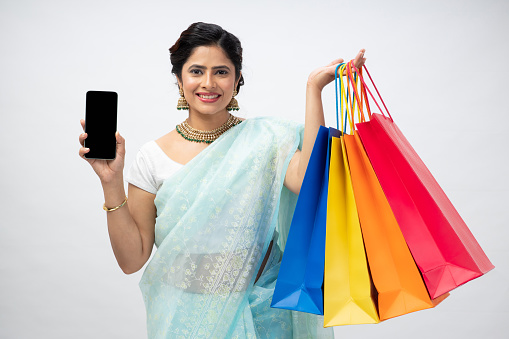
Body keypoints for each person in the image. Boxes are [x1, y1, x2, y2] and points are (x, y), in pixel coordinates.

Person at [79, 22, 365, 338]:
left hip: (265, 316)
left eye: (221, 72)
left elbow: (310, 180)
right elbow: (132, 260)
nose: (209, 83)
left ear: (237, 78)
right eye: (197, 71)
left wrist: (314, 88)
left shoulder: (265, 140)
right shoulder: (152, 157)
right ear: (179, 78)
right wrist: (111, 180)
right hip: (187, 319)